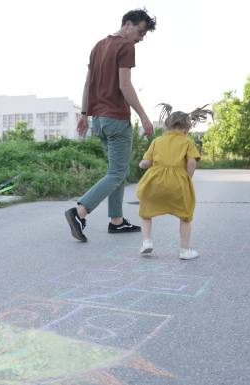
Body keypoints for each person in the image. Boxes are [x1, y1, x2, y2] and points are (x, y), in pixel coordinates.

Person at [65, 9, 156, 242]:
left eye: (144, 35)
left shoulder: (98, 46)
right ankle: (80, 211)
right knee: (117, 172)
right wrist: (144, 117)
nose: (140, 38)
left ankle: (116, 221)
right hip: (116, 118)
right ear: (128, 24)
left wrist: (84, 114)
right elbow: (125, 86)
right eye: (140, 31)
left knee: (116, 170)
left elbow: (88, 84)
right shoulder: (126, 46)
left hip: (99, 121)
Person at [136, 103, 212, 259]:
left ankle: (147, 242)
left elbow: (146, 162)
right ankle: (185, 251)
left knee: (146, 213)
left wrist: (142, 164)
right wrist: (187, 177)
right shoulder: (187, 142)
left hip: (155, 182)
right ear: (186, 128)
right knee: (185, 216)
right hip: (178, 182)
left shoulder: (157, 141)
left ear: (166, 126)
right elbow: (192, 162)